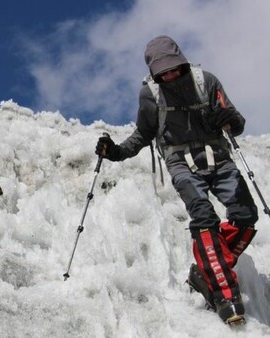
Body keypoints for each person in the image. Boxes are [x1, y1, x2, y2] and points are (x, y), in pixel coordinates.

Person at [95, 35, 258, 325]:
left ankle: (207, 273)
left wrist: (228, 118)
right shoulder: (150, 94)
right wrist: (116, 152)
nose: (169, 74)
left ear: (181, 61)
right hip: (179, 161)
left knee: (246, 215)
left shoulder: (206, 81)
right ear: (154, 72)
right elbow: (143, 134)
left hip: (218, 156)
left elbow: (237, 124)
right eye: (163, 71)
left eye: (173, 68)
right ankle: (225, 295)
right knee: (203, 216)